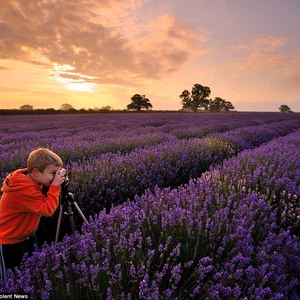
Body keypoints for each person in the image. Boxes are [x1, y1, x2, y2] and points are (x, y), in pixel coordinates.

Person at [0, 148, 66, 282]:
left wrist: (51, 182)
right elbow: (47, 209)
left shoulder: (31, 180)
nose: (56, 177)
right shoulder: (24, 190)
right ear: (35, 172)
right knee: (12, 281)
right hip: (10, 241)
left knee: (29, 273)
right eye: (53, 173)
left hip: (26, 236)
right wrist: (55, 187)